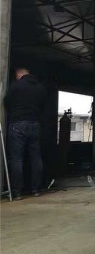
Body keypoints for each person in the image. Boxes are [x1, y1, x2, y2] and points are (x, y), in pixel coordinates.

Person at [4, 68, 46, 200]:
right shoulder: (40, 88)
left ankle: (17, 192)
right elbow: (43, 105)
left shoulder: (16, 85)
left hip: (18, 123)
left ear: (19, 75)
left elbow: (7, 103)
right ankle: (36, 189)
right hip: (35, 124)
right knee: (36, 157)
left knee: (17, 159)